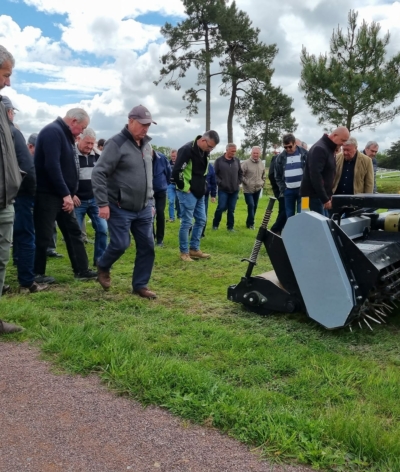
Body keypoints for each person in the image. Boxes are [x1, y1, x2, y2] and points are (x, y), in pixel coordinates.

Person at [92, 105, 156, 299]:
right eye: (142, 124)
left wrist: (151, 202)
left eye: (148, 125)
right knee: (120, 244)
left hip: (144, 208)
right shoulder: (116, 143)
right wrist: (102, 203)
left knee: (147, 247)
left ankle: (140, 285)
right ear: (130, 121)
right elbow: (99, 173)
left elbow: (148, 177)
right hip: (119, 207)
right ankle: (103, 265)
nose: (146, 128)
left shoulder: (147, 145)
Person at [33, 108, 98, 282]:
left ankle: (81, 270)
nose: (82, 131)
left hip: (62, 194)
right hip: (48, 194)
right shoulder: (52, 132)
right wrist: (65, 193)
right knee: (43, 234)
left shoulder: (64, 135)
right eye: (82, 127)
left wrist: (68, 192)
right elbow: (52, 166)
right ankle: (36, 273)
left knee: (73, 232)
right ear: (74, 121)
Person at [2, 97, 48, 293]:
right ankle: (27, 282)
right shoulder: (13, 132)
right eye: (12, 111)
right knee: (26, 235)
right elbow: (27, 167)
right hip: (19, 194)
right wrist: (31, 191)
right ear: (9, 112)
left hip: (7, 193)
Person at [0, 45, 24, 334]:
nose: (8, 82)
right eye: (5, 75)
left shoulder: (2, 109)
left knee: (2, 260)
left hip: (5, 199)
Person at [172, 130, 220, 262]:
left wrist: (205, 187)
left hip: (200, 192)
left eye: (212, 148)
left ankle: (194, 249)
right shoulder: (186, 150)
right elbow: (177, 171)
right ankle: (184, 252)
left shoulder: (205, 152)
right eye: (210, 146)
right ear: (203, 140)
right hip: (187, 192)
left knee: (201, 220)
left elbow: (204, 172)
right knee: (187, 222)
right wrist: (185, 188)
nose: (210, 149)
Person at [73, 127, 108, 266]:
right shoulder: (71, 155)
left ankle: (100, 260)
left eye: (92, 143)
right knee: (76, 234)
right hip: (77, 201)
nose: (89, 146)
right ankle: (81, 265)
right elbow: (65, 176)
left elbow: (105, 177)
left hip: (95, 200)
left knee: (103, 229)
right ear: (79, 139)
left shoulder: (98, 156)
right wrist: (71, 194)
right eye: (87, 142)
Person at [300, 127, 350, 215]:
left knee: (325, 224)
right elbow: (315, 175)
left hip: (320, 197)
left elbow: (328, 175)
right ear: (335, 135)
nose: (343, 144)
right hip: (312, 197)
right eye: (342, 140)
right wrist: (325, 199)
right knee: (316, 225)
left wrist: (329, 196)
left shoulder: (329, 148)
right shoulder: (320, 148)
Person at [274, 133, 307, 219]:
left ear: (295, 143)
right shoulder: (280, 158)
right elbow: (277, 176)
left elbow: (311, 172)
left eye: (290, 146)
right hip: (288, 191)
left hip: (304, 191)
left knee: (304, 214)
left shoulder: (305, 154)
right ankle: (292, 232)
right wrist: (283, 189)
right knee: (289, 216)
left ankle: (303, 232)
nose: (288, 149)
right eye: (285, 147)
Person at [212, 143, 242, 232]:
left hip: (235, 189)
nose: (234, 153)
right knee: (221, 207)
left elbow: (240, 173)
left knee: (231, 209)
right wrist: (220, 182)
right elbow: (214, 174)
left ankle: (230, 227)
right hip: (223, 190)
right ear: (227, 150)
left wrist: (238, 182)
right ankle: (215, 225)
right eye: (232, 151)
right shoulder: (219, 161)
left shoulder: (236, 161)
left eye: (235, 151)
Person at [241, 146, 266, 229]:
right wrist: (247, 182)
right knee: (251, 205)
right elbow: (240, 175)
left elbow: (264, 175)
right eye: (254, 153)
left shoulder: (261, 163)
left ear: (260, 154)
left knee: (254, 206)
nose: (255, 154)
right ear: (251, 153)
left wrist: (262, 183)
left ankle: (249, 223)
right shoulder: (246, 163)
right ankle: (251, 224)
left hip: (258, 188)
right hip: (248, 189)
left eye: (257, 153)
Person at [152, 148, 171, 247]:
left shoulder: (162, 158)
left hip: (160, 190)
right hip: (147, 192)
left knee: (160, 213)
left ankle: (160, 239)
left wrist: (164, 184)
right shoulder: (141, 157)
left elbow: (168, 172)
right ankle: (151, 237)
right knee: (149, 215)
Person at [269, 153, 287, 235]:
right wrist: (279, 190)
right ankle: (275, 230)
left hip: (303, 195)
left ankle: (279, 231)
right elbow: (272, 175)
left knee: (302, 212)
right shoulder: (278, 158)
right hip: (284, 191)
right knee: (285, 210)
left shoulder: (304, 157)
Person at [202, 161, 217, 237]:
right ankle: (188, 231)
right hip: (192, 193)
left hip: (205, 194)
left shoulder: (210, 167)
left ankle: (201, 233)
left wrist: (213, 195)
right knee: (190, 214)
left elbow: (213, 182)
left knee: (203, 213)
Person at [167, 149, 180, 222]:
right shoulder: (167, 164)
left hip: (178, 185)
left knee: (179, 201)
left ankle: (179, 215)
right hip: (170, 185)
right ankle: (172, 217)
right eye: (172, 156)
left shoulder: (180, 164)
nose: (173, 157)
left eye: (174, 156)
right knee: (171, 201)